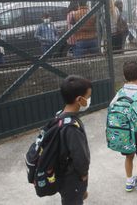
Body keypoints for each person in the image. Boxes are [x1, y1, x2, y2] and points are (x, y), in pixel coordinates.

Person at [110, 61, 137, 193]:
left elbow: (112, 106)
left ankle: (129, 181)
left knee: (128, 156)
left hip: (125, 132)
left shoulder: (120, 92)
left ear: (124, 77)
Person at [57, 75, 92, 205]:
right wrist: (84, 175)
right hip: (72, 178)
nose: (89, 100)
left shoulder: (59, 116)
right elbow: (80, 156)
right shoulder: (72, 127)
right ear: (79, 99)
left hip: (62, 175)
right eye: (88, 97)